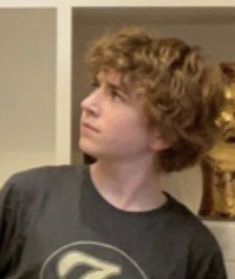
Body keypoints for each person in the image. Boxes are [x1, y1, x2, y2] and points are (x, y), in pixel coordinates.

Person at [0, 27, 228, 278]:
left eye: (115, 95)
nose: (88, 104)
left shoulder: (193, 249)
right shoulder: (28, 196)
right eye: (97, 86)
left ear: (163, 133)